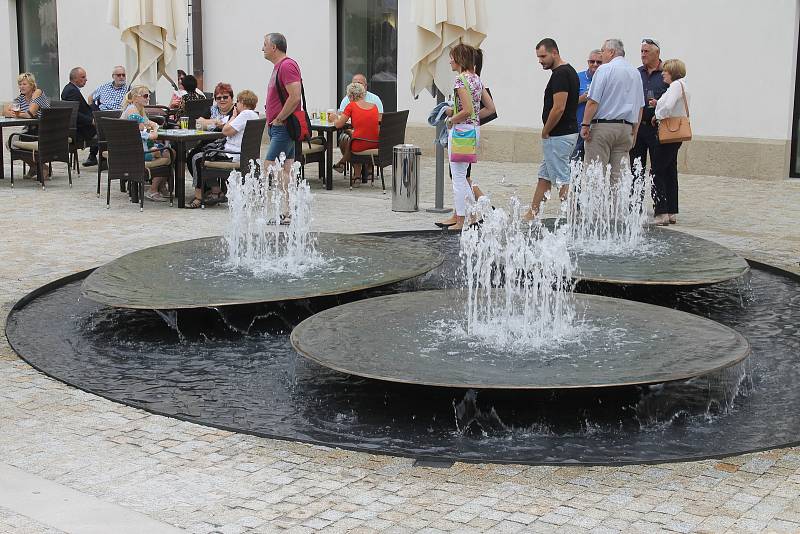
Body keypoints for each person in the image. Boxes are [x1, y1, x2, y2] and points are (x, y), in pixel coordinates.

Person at [523, 38, 580, 221]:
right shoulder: (567, 71)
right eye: (539, 57)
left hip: (559, 135)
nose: (540, 60)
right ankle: (532, 213)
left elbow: (559, 107)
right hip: (562, 133)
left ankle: (573, 216)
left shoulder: (561, 74)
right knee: (545, 176)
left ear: (554, 52)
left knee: (562, 177)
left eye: (543, 56)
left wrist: (545, 130)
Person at [581, 39, 644, 184]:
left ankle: (594, 207)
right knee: (619, 177)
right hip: (626, 128)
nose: (601, 55)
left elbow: (593, 101)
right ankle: (618, 207)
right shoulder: (635, 73)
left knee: (595, 173)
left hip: (603, 127)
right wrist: (635, 130)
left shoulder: (605, 69)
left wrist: (585, 124)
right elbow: (640, 106)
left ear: (611, 52)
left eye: (603, 51)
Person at [439, 43, 483, 231]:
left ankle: (461, 220)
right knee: (462, 175)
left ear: (459, 59)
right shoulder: (476, 79)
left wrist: (450, 120)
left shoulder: (460, 80)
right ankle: (472, 215)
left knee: (458, 177)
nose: (450, 60)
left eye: (451, 57)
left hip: (461, 131)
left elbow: (467, 110)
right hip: (473, 130)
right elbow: (478, 108)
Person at [262, 32, 302, 218]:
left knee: (270, 165)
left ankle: (290, 207)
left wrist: (279, 118)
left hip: (283, 127)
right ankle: (288, 210)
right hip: (280, 127)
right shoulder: (279, 67)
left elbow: (295, 97)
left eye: (264, 44)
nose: (262, 48)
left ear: (274, 47)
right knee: (286, 168)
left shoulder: (287, 66)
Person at [187, 83, 241, 208]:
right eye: (218, 98)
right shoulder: (213, 109)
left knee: (197, 158)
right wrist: (214, 122)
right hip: (209, 143)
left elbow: (226, 127)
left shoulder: (235, 111)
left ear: (231, 98)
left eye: (225, 97)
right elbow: (199, 121)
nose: (222, 100)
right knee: (191, 156)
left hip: (225, 146)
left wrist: (211, 123)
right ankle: (213, 189)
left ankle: (201, 195)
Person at [652, 59, 690, 226]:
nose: (662, 73)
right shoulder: (683, 85)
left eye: (665, 71)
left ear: (672, 72)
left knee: (657, 171)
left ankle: (661, 212)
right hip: (676, 134)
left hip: (668, 132)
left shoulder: (675, 86)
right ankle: (672, 211)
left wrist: (657, 115)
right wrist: (658, 104)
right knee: (669, 172)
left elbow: (668, 107)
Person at [120, 85, 171, 202]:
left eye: (149, 96)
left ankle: (160, 187)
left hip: (130, 151)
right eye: (146, 96)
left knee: (166, 151)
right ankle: (153, 189)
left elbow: (146, 124)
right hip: (137, 153)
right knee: (168, 154)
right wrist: (155, 131)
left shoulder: (135, 109)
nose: (148, 98)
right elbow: (146, 134)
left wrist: (152, 126)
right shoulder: (133, 113)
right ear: (136, 97)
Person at [630, 38, 670, 177]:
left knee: (659, 170)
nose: (643, 54)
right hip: (639, 127)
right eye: (641, 51)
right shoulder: (636, 73)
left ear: (657, 52)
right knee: (635, 168)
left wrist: (659, 104)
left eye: (646, 51)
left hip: (658, 128)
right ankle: (635, 198)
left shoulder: (667, 72)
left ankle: (659, 198)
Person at [334, 73, 383, 175]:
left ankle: (355, 173)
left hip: (360, 143)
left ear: (350, 95)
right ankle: (346, 166)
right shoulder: (373, 106)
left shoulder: (351, 105)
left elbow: (338, 124)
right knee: (352, 136)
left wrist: (334, 118)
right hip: (375, 141)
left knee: (352, 140)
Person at [4, 72, 51, 178]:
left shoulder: (37, 92)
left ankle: (42, 167)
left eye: (24, 84)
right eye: (20, 84)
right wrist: (11, 112)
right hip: (31, 131)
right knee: (10, 143)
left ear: (32, 85)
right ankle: (35, 166)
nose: (21, 86)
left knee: (14, 142)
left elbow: (30, 114)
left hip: (44, 132)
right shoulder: (21, 97)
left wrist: (17, 114)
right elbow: (5, 110)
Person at [61, 67, 100, 166]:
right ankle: (102, 159)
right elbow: (74, 114)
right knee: (107, 131)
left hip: (80, 126)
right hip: (80, 129)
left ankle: (95, 157)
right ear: (75, 79)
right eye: (83, 77)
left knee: (96, 109)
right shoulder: (71, 91)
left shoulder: (70, 89)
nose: (86, 79)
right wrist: (91, 121)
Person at [571, 49, 602, 162]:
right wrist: (581, 99)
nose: (595, 65)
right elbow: (567, 104)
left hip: (598, 128)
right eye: (592, 61)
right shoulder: (578, 77)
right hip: (578, 126)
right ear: (588, 62)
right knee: (575, 161)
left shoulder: (606, 78)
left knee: (595, 163)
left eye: (599, 62)